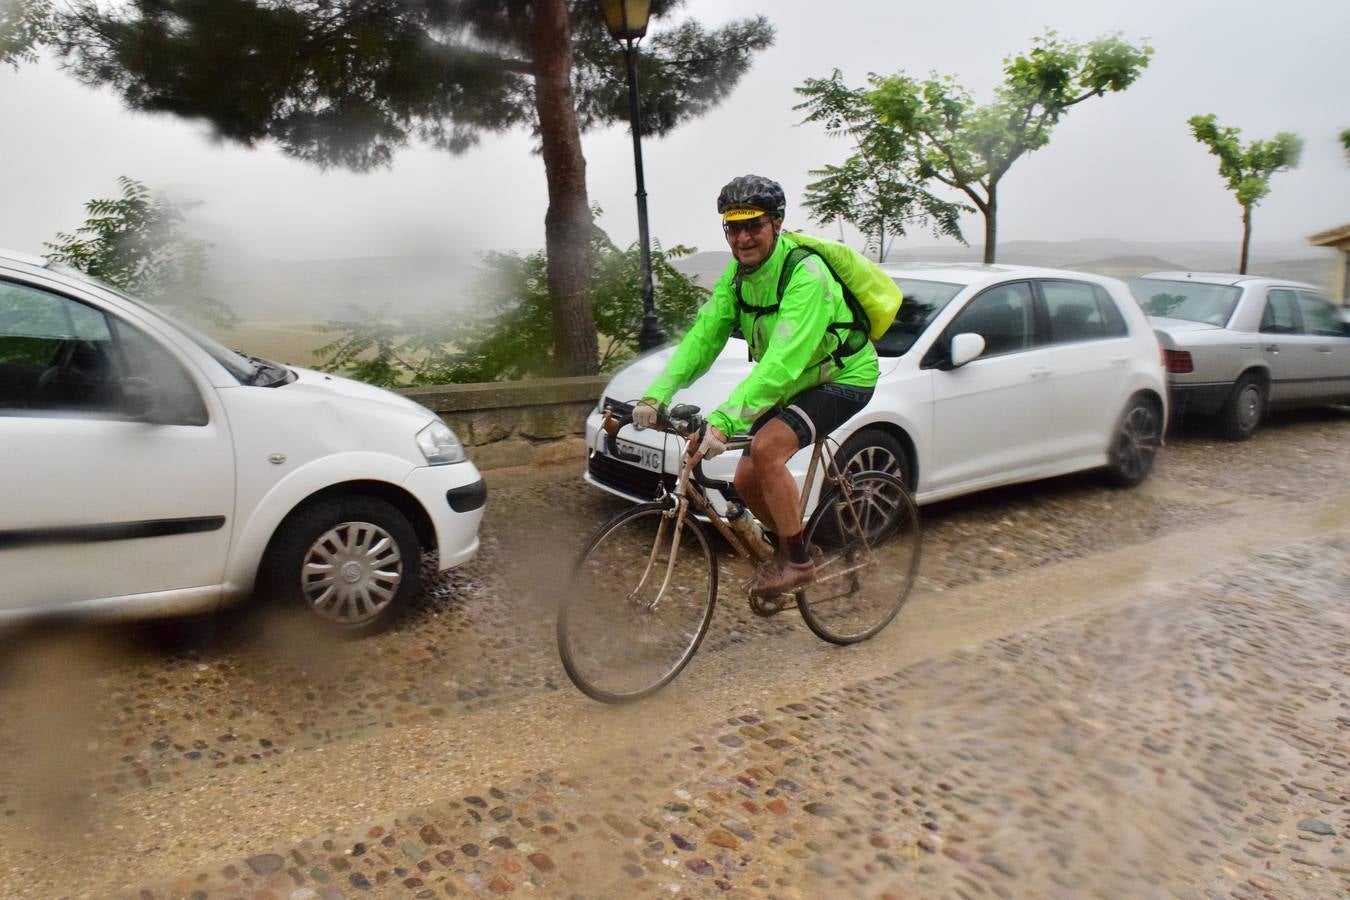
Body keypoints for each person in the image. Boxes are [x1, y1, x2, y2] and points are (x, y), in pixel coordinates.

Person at [632, 174, 879, 597]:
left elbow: (782, 361)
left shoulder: (806, 274)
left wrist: (726, 419)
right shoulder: (737, 277)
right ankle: (792, 543)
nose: (743, 238)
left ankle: (798, 563)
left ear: (777, 223)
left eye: (754, 225)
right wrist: (659, 392)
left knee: (767, 451)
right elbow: (704, 337)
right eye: (733, 227)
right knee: (745, 480)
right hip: (792, 380)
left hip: (843, 377)